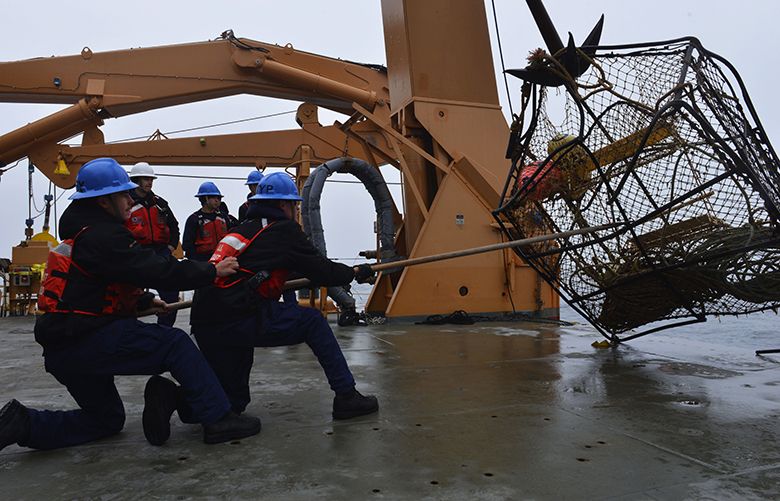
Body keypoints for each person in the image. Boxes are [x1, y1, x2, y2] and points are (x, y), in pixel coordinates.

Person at [0, 158, 262, 452]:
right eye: (123, 194)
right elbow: (158, 269)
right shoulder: (103, 236)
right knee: (175, 344)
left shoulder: (84, 235)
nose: (131, 199)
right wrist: (212, 271)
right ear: (103, 201)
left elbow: (94, 287)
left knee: (106, 420)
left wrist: (144, 300)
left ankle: (22, 423)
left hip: (63, 350)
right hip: (84, 339)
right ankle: (218, 419)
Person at [190, 172, 379, 420]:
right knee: (313, 322)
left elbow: (281, 266)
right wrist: (354, 272)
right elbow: (322, 269)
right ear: (283, 205)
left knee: (230, 403)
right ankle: (346, 396)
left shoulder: (243, 230)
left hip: (205, 321)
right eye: (294, 205)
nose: (296, 211)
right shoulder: (284, 230)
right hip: (238, 317)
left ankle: (169, 398)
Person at [125, 162, 181, 327]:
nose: (149, 182)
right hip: (136, 254)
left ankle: (164, 328)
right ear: (136, 180)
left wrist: (171, 247)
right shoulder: (125, 204)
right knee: (129, 295)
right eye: (146, 179)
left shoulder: (160, 204)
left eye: (151, 179)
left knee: (171, 292)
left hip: (160, 253)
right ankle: (130, 328)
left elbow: (174, 226)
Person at [181, 182, 234, 262]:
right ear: (205, 199)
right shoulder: (194, 219)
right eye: (214, 197)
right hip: (202, 262)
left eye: (219, 198)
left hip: (223, 259)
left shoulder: (224, 217)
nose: (217, 200)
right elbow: (187, 245)